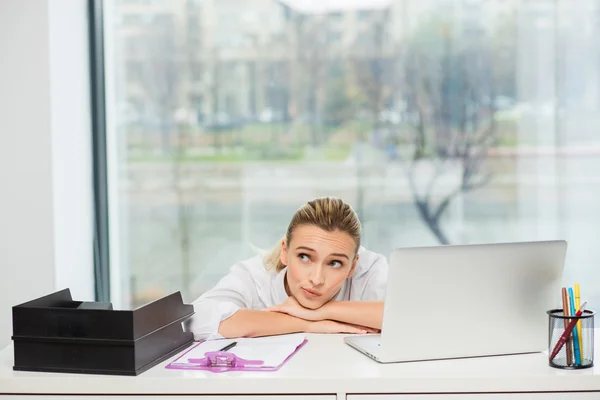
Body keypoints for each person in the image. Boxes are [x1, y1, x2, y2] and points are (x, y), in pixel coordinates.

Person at [185, 197, 389, 340]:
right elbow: (194, 320)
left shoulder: (369, 270)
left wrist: (323, 311)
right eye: (304, 257)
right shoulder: (254, 276)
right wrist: (305, 323)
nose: (317, 279)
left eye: (335, 263)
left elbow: (413, 318)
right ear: (285, 251)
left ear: (352, 266)